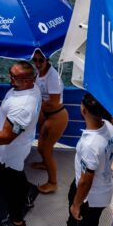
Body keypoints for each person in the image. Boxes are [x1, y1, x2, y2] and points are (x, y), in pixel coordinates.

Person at [46, 93, 113, 226]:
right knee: (73, 194)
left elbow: (86, 180)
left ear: (83, 110)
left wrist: (77, 205)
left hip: (91, 197)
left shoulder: (89, 145)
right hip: (99, 185)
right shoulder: (109, 126)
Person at [0, 61, 41, 226]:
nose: (9, 77)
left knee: (10, 188)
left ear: (27, 80)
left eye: (13, 76)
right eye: (10, 73)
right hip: (20, 149)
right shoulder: (31, 88)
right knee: (17, 174)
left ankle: (16, 222)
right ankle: (27, 197)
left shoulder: (22, 107)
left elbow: (6, 137)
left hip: (10, 152)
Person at [30, 50, 68, 194]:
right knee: (41, 148)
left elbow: (53, 102)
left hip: (56, 116)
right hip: (45, 115)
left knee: (46, 150)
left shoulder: (53, 77)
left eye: (41, 60)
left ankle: (53, 183)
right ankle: (45, 164)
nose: (38, 63)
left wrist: (35, 104)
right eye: (35, 60)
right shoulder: (39, 73)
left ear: (47, 60)